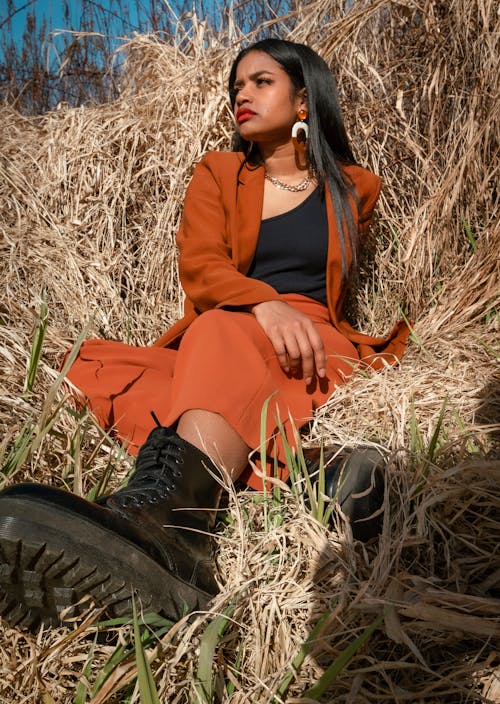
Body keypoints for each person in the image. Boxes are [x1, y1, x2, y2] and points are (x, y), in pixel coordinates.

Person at [0, 39, 410, 630]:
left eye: (261, 82)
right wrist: (262, 303)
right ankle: (312, 474)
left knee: (214, 339)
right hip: (231, 325)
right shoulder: (218, 173)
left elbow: (322, 290)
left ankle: (170, 523)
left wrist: (278, 313)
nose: (242, 94)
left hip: (310, 342)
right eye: (236, 86)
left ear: (303, 99)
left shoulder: (353, 188)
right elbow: (202, 266)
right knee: (93, 365)